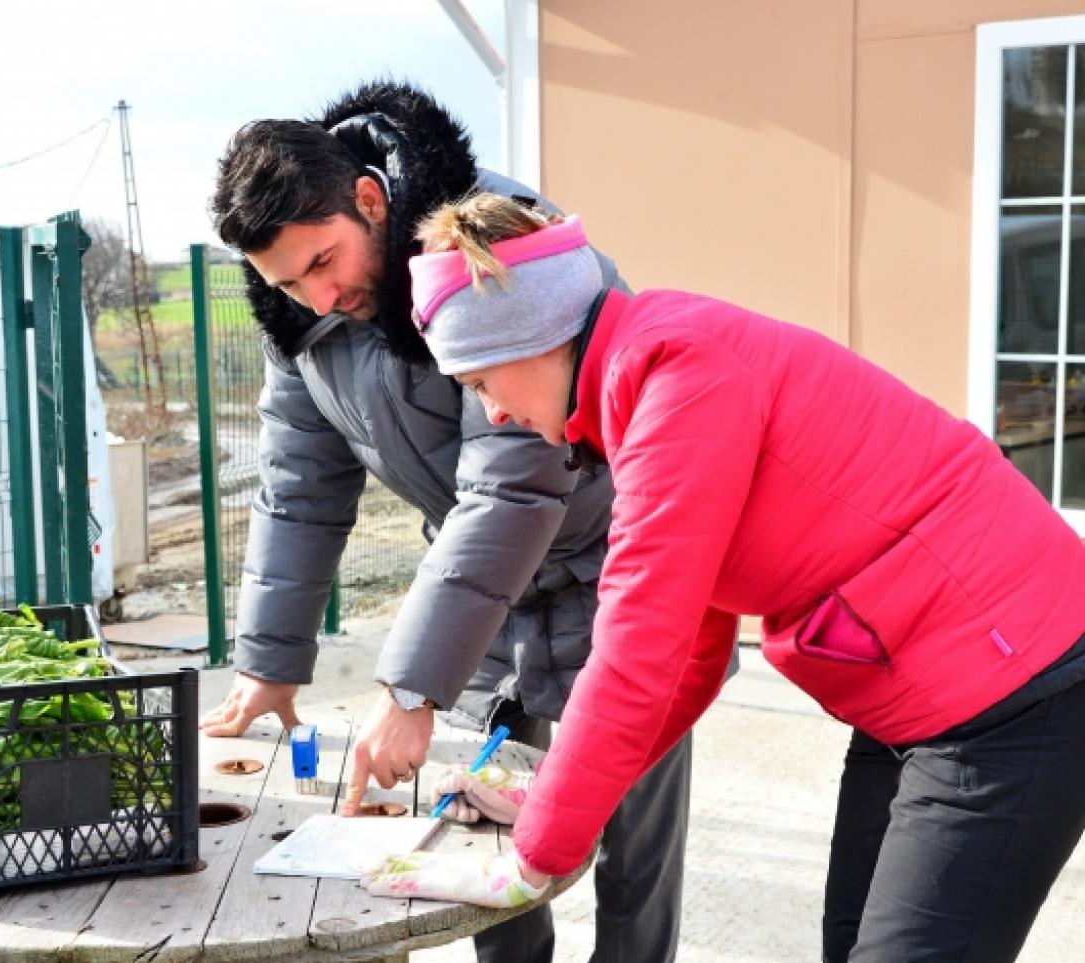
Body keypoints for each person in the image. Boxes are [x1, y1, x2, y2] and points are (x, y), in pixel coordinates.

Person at [361, 193, 1085, 962]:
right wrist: (551, 799)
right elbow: (688, 656)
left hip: (1015, 689)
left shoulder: (677, 376)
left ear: (532, 338)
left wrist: (530, 859)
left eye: (479, 383)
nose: (493, 414)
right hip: (916, 691)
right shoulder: (640, 384)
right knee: (850, 945)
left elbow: (636, 650)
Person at [203, 81, 699, 963]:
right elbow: (300, 487)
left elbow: (514, 486)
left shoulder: (496, 244)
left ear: (369, 199)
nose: (317, 297)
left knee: (630, 845)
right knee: (474, 826)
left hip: (617, 571)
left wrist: (409, 689)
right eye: (285, 281)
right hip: (484, 598)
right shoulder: (305, 319)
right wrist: (270, 662)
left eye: (323, 264)